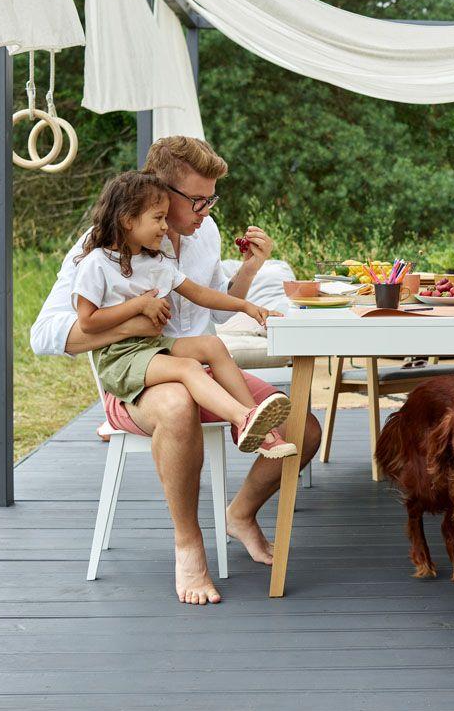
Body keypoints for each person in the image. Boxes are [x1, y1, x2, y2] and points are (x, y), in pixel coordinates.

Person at [31, 136, 322, 604]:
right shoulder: (102, 246)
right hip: (137, 378)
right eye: (197, 199)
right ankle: (189, 545)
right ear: (159, 192)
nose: (206, 209)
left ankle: (240, 513)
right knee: (178, 402)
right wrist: (133, 323)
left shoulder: (204, 234)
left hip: (196, 364)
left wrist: (249, 272)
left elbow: (216, 312)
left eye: (212, 198)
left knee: (303, 429)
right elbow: (44, 334)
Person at [73, 170, 295, 459]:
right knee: (189, 367)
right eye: (158, 218)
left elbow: (200, 293)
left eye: (166, 217)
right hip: (120, 358)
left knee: (212, 345)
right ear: (127, 220)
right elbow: (87, 323)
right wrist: (139, 305)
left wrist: (246, 307)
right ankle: (241, 417)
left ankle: (251, 423)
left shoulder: (154, 262)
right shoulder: (97, 264)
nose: (165, 227)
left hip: (152, 348)